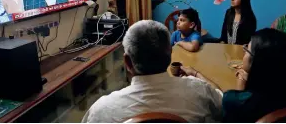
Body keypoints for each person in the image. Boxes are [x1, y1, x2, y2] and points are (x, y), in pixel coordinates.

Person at [82, 20, 222, 123]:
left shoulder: (101, 111)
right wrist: (197, 75)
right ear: (170, 54)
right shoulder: (199, 90)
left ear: (128, 62)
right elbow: (224, 105)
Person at [181, 28, 286, 122]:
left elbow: (222, 96)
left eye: (247, 49)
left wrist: (239, 88)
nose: (244, 51)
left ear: (257, 62)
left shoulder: (239, 102)